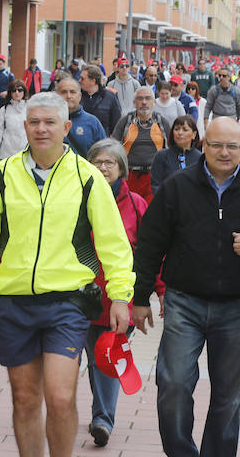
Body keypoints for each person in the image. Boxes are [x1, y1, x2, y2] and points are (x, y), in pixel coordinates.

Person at [0, 92, 135, 457]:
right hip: (15, 301)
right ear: (24, 126)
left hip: (68, 302)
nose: (41, 129)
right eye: (34, 122)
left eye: (50, 122)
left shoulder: (87, 177)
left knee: (59, 396)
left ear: (66, 127)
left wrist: (121, 296)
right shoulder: (3, 174)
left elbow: (114, 244)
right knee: (25, 399)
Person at [133, 117, 240, 456]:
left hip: (237, 306)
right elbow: (150, 242)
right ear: (203, 145)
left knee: (229, 395)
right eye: (217, 145)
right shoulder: (177, 187)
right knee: (173, 384)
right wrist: (140, 297)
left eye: (232, 146)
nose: (225, 153)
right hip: (185, 302)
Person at [83, 138, 161, 447]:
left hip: (120, 297)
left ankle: (103, 419)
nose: (103, 168)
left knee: (108, 354)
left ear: (122, 168)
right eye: (97, 162)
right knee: (95, 359)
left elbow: (151, 252)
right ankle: (100, 410)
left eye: (109, 162)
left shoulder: (137, 205)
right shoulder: (77, 199)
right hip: (83, 297)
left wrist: (158, 292)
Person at [110, 87, 171, 202]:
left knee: (151, 210)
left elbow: (171, 149)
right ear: (134, 102)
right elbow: (113, 147)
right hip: (129, 176)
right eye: (140, 99)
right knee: (130, 209)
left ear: (154, 102)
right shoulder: (125, 121)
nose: (144, 102)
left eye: (148, 98)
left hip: (154, 176)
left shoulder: (162, 122)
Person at [150, 114, 202, 195]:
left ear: (194, 134)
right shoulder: (161, 156)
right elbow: (155, 185)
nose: (180, 133)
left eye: (185, 130)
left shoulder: (200, 158)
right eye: (177, 129)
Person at [57, 78, 106, 158]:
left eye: (72, 92)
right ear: (57, 96)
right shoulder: (49, 121)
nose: (68, 96)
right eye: (64, 92)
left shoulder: (92, 122)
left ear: (80, 96)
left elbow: (104, 153)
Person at [0, 79, 28, 163]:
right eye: (14, 90)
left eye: (20, 90)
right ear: (10, 93)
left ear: (24, 92)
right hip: (7, 155)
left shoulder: (30, 109)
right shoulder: (4, 110)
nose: (17, 93)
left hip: (26, 155)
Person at [80, 65, 122, 135]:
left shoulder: (110, 97)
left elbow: (116, 123)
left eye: (82, 79)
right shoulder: (78, 96)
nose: (79, 80)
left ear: (93, 81)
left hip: (102, 139)